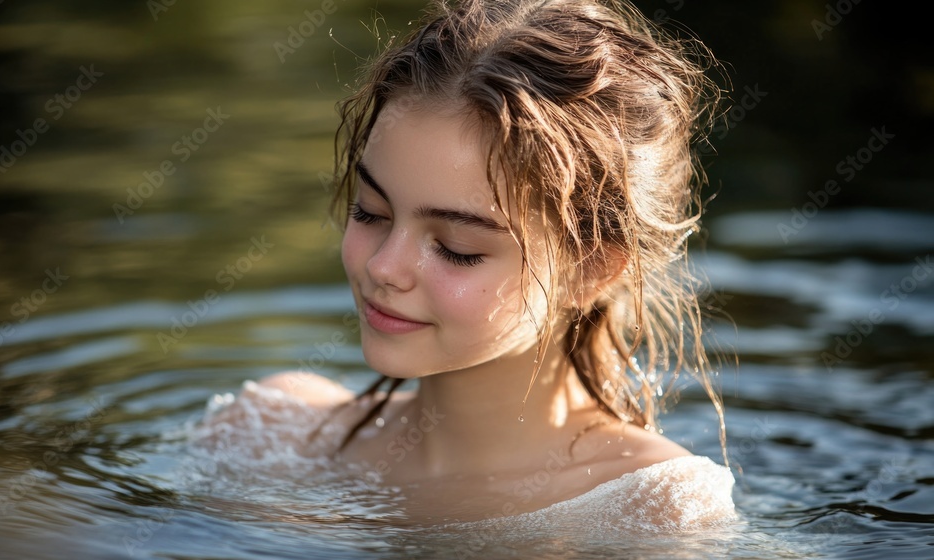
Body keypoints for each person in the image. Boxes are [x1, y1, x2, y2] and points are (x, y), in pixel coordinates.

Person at [207, 0, 736, 529]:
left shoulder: (652, 506)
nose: (385, 268)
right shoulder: (269, 436)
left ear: (592, 269)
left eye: (457, 247)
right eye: (370, 213)